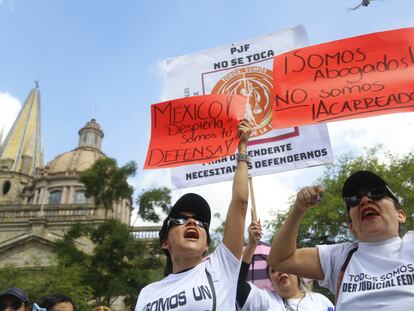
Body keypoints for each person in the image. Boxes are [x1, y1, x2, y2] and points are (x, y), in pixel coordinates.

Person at [134, 120, 251, 311]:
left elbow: (240, 203)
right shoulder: (148, 293)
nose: (191, 222)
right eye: (180, 219)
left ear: (206, 245)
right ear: (165, 242)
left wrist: (243, 148)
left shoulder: (221, 267)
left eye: (201, 222)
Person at [268, 170, 414, 310]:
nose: (364, 200)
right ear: (352, 228)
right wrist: (298, 209)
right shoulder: (340, 257)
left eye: (376, 193)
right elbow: (280, 260)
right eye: (354, 199)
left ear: (400, 215)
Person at [237, 221, 334, 311]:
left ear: (297, 273)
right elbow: (237, 284)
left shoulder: (321, 301)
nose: (280, 272)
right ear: (271, 280)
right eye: (273, 270)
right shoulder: (264, 300)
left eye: (284, 267)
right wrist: (252, 245)